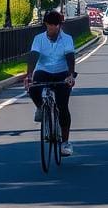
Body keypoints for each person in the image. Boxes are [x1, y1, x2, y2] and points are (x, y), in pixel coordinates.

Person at [24, 10, 76, 156]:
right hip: (44, 70)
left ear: (60, 25)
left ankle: (65, 143)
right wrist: (29, 75)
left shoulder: (67, 39)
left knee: (63, 106)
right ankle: (41, 107)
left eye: (56, 25)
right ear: (46, 24)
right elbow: (33, 56)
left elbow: (70, 57)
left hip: (62, 72)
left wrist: (71, 75)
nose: (53, 28)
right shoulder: (38, 39)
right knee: (33, 87)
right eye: (50, 25)